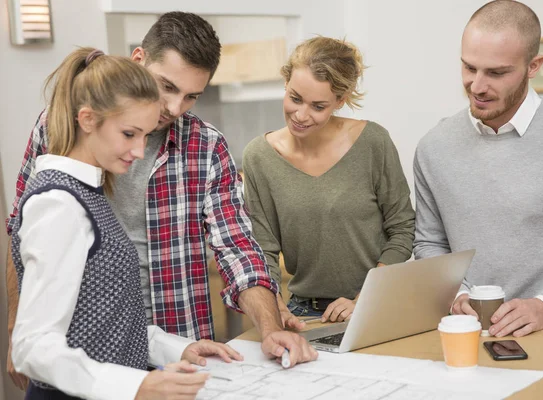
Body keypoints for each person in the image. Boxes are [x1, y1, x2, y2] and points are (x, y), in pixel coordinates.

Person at [6, 12, 317, 391]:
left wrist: (269, 328)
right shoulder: (60, 143)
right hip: (86, 362)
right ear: (138, 61)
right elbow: (22, 235)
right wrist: (19, 328)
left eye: (191, 96)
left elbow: (237, 247)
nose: (174, 107)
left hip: (173, 343)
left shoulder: (206, 146)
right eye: (166, 86)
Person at [11, 47, 246, 400]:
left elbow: (106, 320)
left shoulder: (89, 193)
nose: (139, 151)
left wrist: (179, 348)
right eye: (129, 134)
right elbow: (32, 347)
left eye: (145, 136)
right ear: (87, 119)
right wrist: (137, 386)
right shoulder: (58, 204)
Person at [413, 1, 543, 398]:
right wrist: (458, 293)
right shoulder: (433, 148)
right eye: (469, 67)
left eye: (496, 73)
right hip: (463, 356)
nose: (477, 85)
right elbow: (430, 243)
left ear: (534, 66)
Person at [243, 37, 415, 324]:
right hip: (303, 312)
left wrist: (365, 300)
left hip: (374, 307)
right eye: (295, 98)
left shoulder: (373, 142)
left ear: (340, 100)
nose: (300, 115)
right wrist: (275, 306)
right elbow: (264, 247)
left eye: (317, 106)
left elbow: (402, 229)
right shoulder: (259, 157)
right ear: (286, 83)